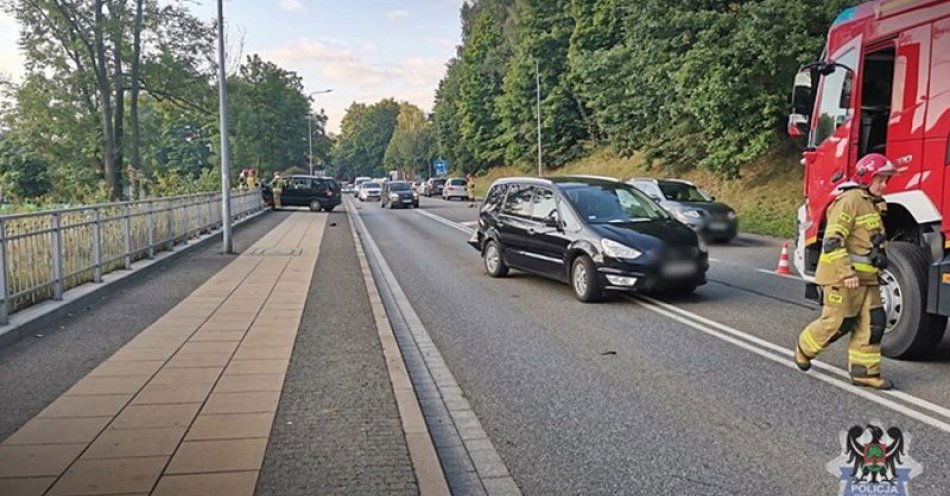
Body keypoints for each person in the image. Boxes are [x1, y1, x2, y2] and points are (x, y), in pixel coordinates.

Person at [794, 153, 896, 390]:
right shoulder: (849, 200)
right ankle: (804, 347)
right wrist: (846, 273)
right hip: (842, 277)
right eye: (880, 179)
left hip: (868, 279)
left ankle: (864, 373)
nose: (884, 185)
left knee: (873, 324)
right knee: (839, 322)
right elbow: (833, 240)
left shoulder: (873, 203)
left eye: (886, 180)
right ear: (866, 177)